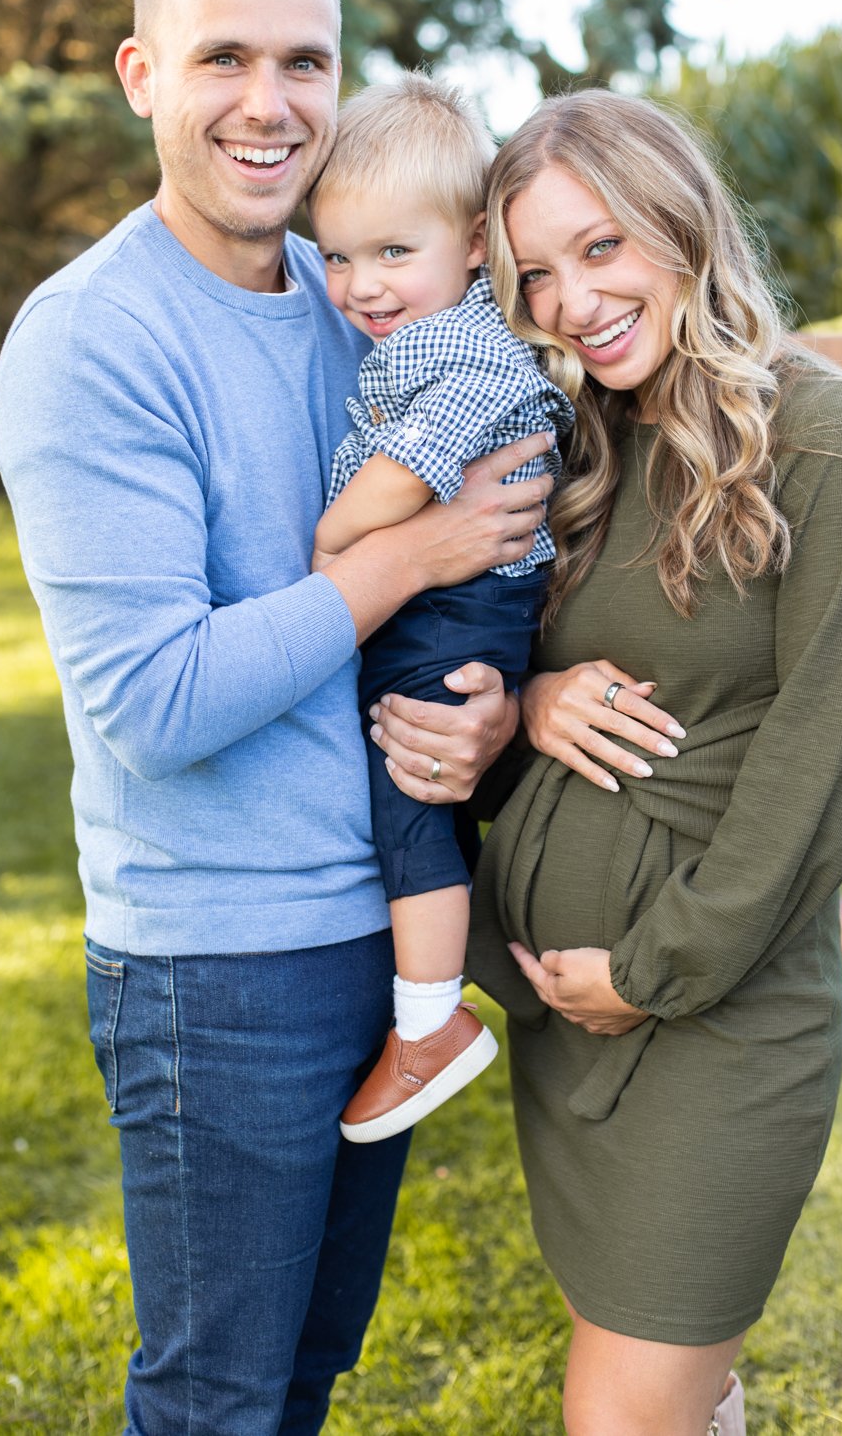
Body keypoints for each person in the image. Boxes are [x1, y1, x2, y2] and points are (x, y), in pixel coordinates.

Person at [0, 0, 557, 1436]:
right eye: (222, 55)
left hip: (378, 927)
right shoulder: (88, 342)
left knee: (307, 1375)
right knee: (217, 1399)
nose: (270, 100)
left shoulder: (359, 294)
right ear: (140, 75)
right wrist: (402, 559)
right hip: (217, 966)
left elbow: (491, 558)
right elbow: (156, 703)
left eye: (303, 59)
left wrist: (503, 703)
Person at [466, 89, 842, 1436]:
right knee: (664, 1391)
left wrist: (658, 971)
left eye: (600, 248)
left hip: (715, 1023)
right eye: (534, 272)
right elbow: (500, 661)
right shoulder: (586, 443)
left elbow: (826, 755)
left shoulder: (829, 439)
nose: (570, 299)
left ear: (682, 223)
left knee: (619, 1416)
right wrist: (536, 698)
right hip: (571, 1033)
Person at [305, 73, 575, 1143]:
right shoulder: (427, 332)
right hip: (461, 599)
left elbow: (405, 478)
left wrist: (331, 544)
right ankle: (433, 1000)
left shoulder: (455, 346)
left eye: (390, 253)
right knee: (419, 786)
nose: (361, 285)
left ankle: (431, 1025)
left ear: (472, 244)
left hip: (462, 607)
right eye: (336, 255)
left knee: (412, 792)